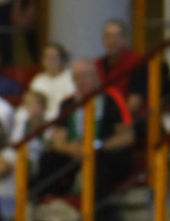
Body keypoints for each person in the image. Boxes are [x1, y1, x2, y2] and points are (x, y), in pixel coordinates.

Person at [36, 59, 135, 205]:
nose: (81, 81)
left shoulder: (112, 97)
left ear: (96, 76)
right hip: (76, 152)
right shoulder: (68, 102)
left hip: (105, 152)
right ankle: (48, 208)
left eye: (85, 76)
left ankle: (102, 219)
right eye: (77, 77)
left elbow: (127, 136)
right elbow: (58, 139)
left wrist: (96, 146)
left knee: (97, 162)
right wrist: (71, 148)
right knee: (48, 159)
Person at [27, 43, 75, 121]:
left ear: (62, 59)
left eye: (54, 57)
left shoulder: (71, 77)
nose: (50, 61)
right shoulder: (38, 80)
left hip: (63, 119)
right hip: (41, 121)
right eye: (47, 57)